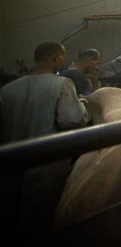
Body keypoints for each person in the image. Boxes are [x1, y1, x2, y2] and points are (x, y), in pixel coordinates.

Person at [1, 42, 89, 232]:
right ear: (57, 59)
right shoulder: (62, 84)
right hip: (46, 167)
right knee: (42, 221)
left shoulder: (8, 89)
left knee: (11, 217)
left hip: (11, 163)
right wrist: (81, 103)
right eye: (62, 57)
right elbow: (72, 120)